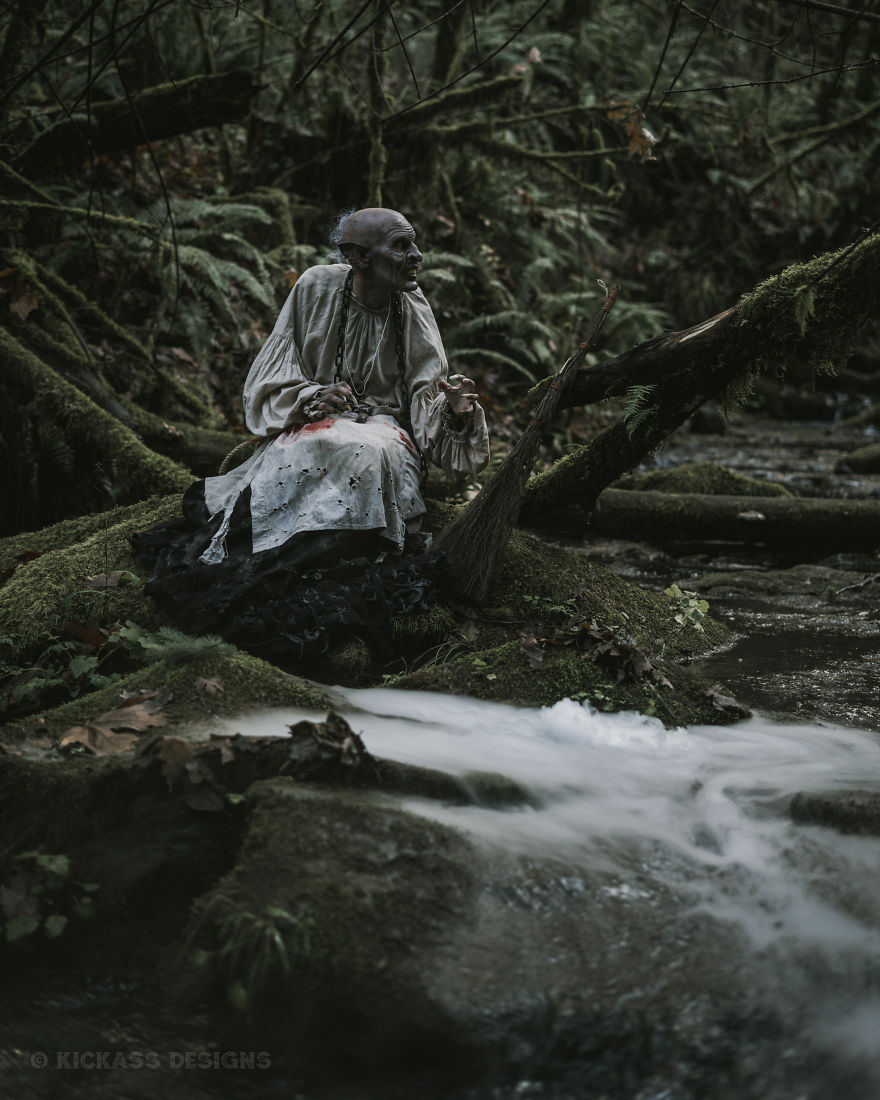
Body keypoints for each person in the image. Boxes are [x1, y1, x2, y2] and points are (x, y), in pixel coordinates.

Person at [133, 207, 489, 658]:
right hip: (314, 424)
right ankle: (281, 553)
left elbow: (424, 402)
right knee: (325, 441)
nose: (416, 255)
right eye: (401, 245)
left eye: (413, 243)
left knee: (370, 449)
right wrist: (312, 397)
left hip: (383, 430)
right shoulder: (316, 286)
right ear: (358, 256)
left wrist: (456, 412)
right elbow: (270, 378)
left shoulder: (413, 306)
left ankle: (342, 553)